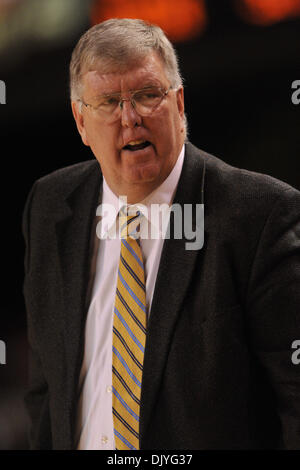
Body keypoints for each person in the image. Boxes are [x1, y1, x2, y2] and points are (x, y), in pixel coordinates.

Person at [22, 18, 300, 450]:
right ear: (80, 121)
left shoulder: (259, 215)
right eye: (110, 102)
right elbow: (46, 391)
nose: (130, 118)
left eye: (148, 95)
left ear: (179, 102)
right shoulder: (50, 205)